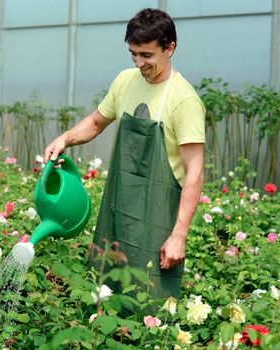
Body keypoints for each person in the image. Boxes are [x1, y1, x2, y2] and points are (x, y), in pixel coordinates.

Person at [43, 8, 205, 299]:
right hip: (118, 209)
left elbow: (195, 171)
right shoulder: (125, 81)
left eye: (146, 55)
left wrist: (179, 236)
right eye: (133, 54)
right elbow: (95, 122)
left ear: (170, 48)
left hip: (157, 215)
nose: (138, 63)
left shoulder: (184, 100)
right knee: (106, 289)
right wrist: (65, 139)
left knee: (149, 297)